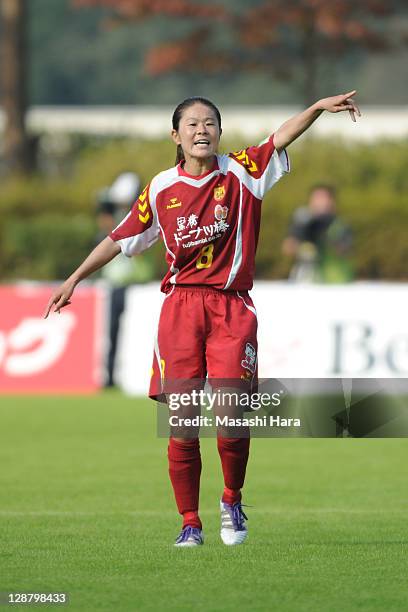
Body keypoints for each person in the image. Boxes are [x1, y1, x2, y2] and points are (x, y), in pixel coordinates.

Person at [44, 92, 360, 547]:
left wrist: (314, 109)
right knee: (183, 420)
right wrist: (74, 278)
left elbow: (281, 136)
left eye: (209, 123)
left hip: (232, 307)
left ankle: (232, 498)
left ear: (220, 132)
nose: (201, 131)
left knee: (231, 414)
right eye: (191, 124)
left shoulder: (243, 172)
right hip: (181, 310)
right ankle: (189, 522)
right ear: (176, 135)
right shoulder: (160, 188)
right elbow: (119, 239)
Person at [94, 174, 155, 387]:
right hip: (116, 284)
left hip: (139, 286)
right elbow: (106, 232)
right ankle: (110, 377)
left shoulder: (144, 216)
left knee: (137, 333)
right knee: (112, 333)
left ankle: (139, 376)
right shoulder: (115, 217)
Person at [282, 184, 353, 283]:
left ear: (332, 202)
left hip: (336, 283)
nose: (320, 203)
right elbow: (288, 248)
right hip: (307, 281)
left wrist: (324, 234)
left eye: (324, 199)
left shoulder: (339, 225)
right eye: (317, 198)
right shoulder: (305, 222)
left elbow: (344, 250)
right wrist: (301, 234)